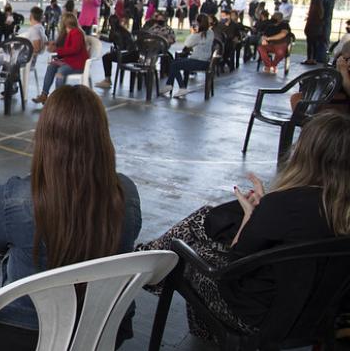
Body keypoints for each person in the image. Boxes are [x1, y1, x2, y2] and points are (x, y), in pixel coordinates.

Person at [137, 111, 350, 341]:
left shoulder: (285, 203)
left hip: (259, 319)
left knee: (192, 252)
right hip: (321, 315)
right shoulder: (335, 207)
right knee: (204, 225)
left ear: (307, 153)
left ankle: (142, 265)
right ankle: (146, 264)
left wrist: (251, 214)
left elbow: (235, 261)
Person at [0, 85, 142, 350]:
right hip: (104, 329)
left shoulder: (18, 197)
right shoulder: (126, 192)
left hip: (23, 333)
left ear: (45, 136)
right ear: (101, 135)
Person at [0, 6, 47, 99]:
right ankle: (11, 86)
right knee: (4, 57)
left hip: (25, 61)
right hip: (25, 58)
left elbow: (36, 48)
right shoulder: (40, 28)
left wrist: (18, 51)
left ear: (31, 16)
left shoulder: (35, 30)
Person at [32, 13, 88, 104]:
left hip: (77, 64)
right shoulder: (68, 33)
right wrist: (55, 46)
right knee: (51, 67)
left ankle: (59, 99)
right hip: (70, 61)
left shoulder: (76, 33)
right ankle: (44, 94)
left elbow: (74, 49)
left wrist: (57, 50)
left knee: (60, 72)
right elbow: (63, 47)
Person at [160, 13, 214, 98]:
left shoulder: (199, 35)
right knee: (175, 62)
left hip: (198, 61)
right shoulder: (211, 32)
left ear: (199, 23)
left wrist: (193, 33)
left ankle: (181, 87)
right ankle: (169, 84)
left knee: (174, 64)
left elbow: (187, 44)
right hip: (206, 61)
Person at [95, 15, 137, 90]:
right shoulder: (122, 29)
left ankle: (107, 80)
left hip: (127, 55)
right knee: (108, 56)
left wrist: (100, 37)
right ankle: (107, 80)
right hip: (134, 55)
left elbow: (121, 46)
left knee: (106, 57)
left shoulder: (115, 31)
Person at [303, 0, 324, 65]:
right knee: (315, 45)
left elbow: (310, 21)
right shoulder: (321, 10)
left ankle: (309, 59)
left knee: (310, 45)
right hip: (318, 30)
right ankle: (314, 59)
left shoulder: (313, 9)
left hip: (311, 29)